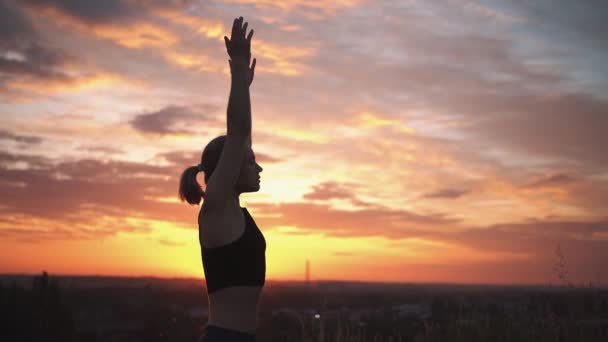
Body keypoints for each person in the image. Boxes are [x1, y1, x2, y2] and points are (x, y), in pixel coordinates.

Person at [178, 16, 264, 342]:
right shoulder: (215, 207)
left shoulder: (231, 211)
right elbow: (238, 131)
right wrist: (238, 70)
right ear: (226, 170)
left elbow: (243, 137)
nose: (259, 168)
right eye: (251, 162)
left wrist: (244, 87)